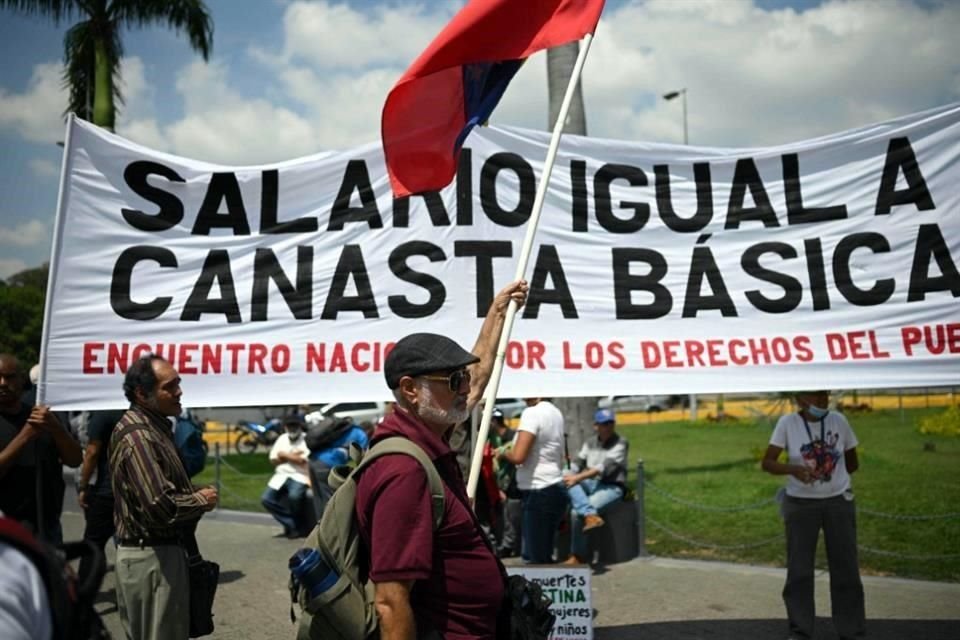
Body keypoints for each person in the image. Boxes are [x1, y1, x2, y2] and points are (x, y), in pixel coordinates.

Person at [355, 279, 527, 640]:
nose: (464, 387)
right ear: (410, 389)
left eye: (462, 376)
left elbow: (478, 382)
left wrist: (497, 314)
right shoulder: (403, 471)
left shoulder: (431, 433)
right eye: (452, 380)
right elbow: (390, 600)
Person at [109, 354, 218, 640]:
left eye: (178, 384)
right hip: (152, 558)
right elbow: (160, 506)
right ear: (142, 393)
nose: (179, 392)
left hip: (159, 554)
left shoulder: (155, 428)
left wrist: (192, 492)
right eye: (170, 387)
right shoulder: (141, 437)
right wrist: (200, 501)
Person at [761, 390, 865, 640]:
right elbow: (768, 462)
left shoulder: (839, 420)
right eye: (815, 397)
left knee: (846, 569)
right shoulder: (788, 423)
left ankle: (851, 631)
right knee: (799, 570)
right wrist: (793, 470)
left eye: (824, 396)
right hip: (800, 505)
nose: (821, 402)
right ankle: (800, 630)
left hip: (838, 503)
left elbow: (853, 462)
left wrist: (830, 474)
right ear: (800, 400)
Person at [0, 353, 82, 542]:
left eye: (10, 377)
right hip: (5, 527)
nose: (3, 383)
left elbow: (75, 459)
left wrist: (56, 429)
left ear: (22, 379)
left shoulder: (42, 417)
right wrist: (25, 436)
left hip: (45, 526)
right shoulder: (31, 426)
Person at [499, 397, 568, 564]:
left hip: (538, 489)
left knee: (536, 560)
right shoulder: (555, 412)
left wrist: (502, 452)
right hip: (554, 486)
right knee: (542, 554)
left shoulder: (532, 413)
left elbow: (518, 456)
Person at [562, 408, 629, 564]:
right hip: (590, 482)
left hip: (612, 487)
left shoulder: (621, 443)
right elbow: (578, 462)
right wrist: (569, 471)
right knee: (564, 474)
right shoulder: (590, 442)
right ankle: (590, 514)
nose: (608, 427)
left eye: (610, 423)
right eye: (604, 424)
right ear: (596, 426)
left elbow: (602, 468)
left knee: (574, 513)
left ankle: (578, 556)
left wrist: (576, 477)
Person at [76, 408, 125, 580]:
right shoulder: (140, 411)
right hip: (134, 489)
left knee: (92, 544)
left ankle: (83, 595)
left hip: (106, 490)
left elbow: (92, 452)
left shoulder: (102, 414)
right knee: (128, 544)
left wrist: (83, 486)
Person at [262, 414, 312, 538]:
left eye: (295, 425)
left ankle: (294, 528)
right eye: (290, 425)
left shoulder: (307, 439)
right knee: (266, 499)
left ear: (300, 426)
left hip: (299, 475)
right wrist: (293, 456)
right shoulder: (282, 439)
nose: (292, 428)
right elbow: (273, 460)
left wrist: (284, 455)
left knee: (294, 497)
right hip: (281, 475)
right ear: (285, 427)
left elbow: (303, 460)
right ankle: (292, 524)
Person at [491, 408, 522, 558]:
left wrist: (503, 452)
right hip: (498, 483)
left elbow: (517, 458)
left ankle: (511, 546)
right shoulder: (491, 437)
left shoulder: (513, 436)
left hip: (514, 483)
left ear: (494, 421)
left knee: (513, 517)